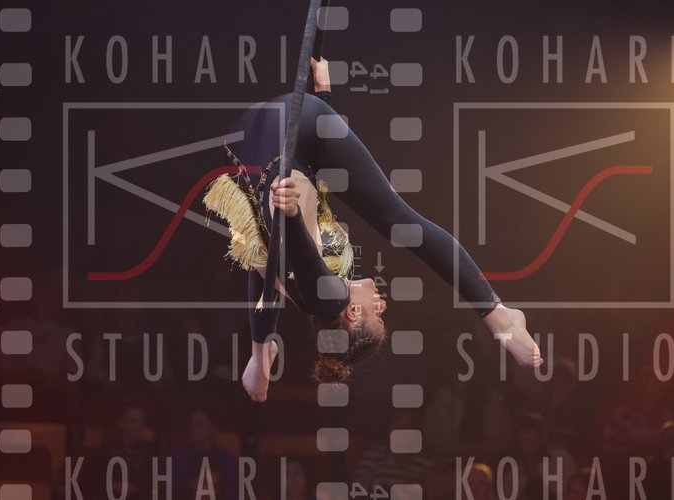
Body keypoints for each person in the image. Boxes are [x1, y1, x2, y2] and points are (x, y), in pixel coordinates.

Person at [203, 57, 542, 402]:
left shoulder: (326, 298)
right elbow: (260, 277)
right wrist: (259, 353)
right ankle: (261, 357)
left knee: (399, 222)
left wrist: (289, 214)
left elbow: (301, 253)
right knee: (296, 218)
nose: (383, 305)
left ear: (352, 314)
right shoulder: (299, 291)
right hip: (244, 138)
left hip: (295, 123)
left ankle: (498, 317)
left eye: (377, 315)